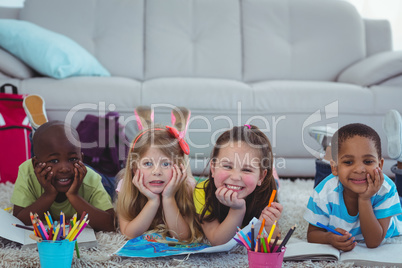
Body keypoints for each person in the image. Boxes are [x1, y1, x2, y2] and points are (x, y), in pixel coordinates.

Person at [304, 123, 402, 251]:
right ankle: (327, 148)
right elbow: (312, 234)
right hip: (334, 181)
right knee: (322, 178)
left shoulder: (386, 189)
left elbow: (373, 242)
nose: (359, 169)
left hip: (395, 215)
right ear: (334, 167)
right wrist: (329, 238)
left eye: (368, 161)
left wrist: (364, 199)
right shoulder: (323, 193)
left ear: (380, 164)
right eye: (348, 162)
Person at [11, 121, 115, 232]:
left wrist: (73, 195)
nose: (64, 168)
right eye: (54, 160)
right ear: (36, 164)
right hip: (62, 173)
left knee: (116, 183)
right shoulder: (27, 173)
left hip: (105, 183)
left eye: (73, 159)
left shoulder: (91, 178)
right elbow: (18, 221)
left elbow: (109, 225)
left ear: (82, 159)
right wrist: (49, 195)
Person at [194, 125, 282, 246]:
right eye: (227, 166)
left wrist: (269, 226)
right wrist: (237, 210)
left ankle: (272, 174)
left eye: (246, 169)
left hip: (265, 184)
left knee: (275, 183)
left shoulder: (266, 192)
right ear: (213, 168)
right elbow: (217, 240)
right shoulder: (202, 192)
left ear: (261, 177)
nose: (235, 177)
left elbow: (274, 244)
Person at [115, 125, 202, 242]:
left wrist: (168, 197)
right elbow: (129, 234)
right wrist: (153, 201)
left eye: (165, 164)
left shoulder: (187, 186)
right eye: (148, 164)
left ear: (179, 167)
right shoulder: (125, 186)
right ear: (135, 168)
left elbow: (183, 236)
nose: (156, 172)